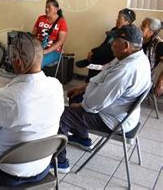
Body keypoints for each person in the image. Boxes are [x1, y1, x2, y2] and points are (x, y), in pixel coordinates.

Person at [0, 32, 64, 187]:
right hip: (42, 167)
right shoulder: (56, 86)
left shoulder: (3, 98)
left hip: (5, 174)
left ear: (17, 61)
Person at [57, 25, 152, 173]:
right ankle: (82, 138)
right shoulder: (135, 56)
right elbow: (104, 75)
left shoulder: (126, 70)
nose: (111, 43)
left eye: (114, 40)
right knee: (75, 95)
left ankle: (59, 162)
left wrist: (81, 106)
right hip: (121, 111)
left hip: (113, 119)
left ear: (126, 46)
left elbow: (94, 103)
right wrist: (83, 88)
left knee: (61, 114)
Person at [76, 8, 136, 81]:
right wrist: (93, 51)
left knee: (96, 61)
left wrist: (95, 53)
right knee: (94, 60)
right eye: (117, 17)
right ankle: (91, 62)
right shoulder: (114, 30)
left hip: (110, 59)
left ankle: (91, 62)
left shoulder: (126, 35)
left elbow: (113, 50)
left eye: (119, 18)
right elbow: (104, 44)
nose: (116, 20)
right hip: (102, 56)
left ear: (127, 22)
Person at [32, 0, 68, 68]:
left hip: (54, 50)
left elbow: (61, 41)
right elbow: (33, 35)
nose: (46, 9)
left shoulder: (62, 22)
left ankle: (35, 78)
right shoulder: (40, 18)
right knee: (26, 59)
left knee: (37, 64)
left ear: (56, 9)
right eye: (46, 7)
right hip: (38, 47)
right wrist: (35, 48)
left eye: (49, 7)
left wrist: (46, 51)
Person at [141, 17, 163, 97]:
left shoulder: (159, 44)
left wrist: (160, 82)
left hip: (143, 76)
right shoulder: (138, 39)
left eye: (143, 26)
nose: (140, 27)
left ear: (152, 31)